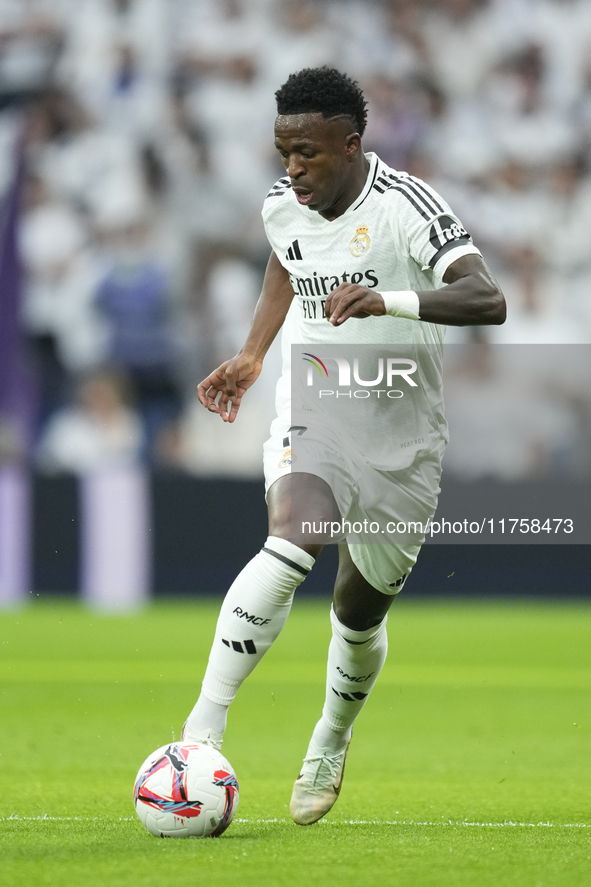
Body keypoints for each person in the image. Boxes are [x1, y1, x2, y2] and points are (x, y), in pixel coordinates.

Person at [181, 66, 505, 826]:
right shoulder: (282, 205)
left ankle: (331, 734)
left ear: (351, 144)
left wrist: (386, 299)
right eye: (282, 150)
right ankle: (201, 729)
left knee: (357, 614)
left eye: (308, 153)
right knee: (295, 537)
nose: (291, 167)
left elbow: (487, 296)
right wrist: (255, 351)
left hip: (404, 435)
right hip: (316, 397)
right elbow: (284, 258)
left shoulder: (406, 208)